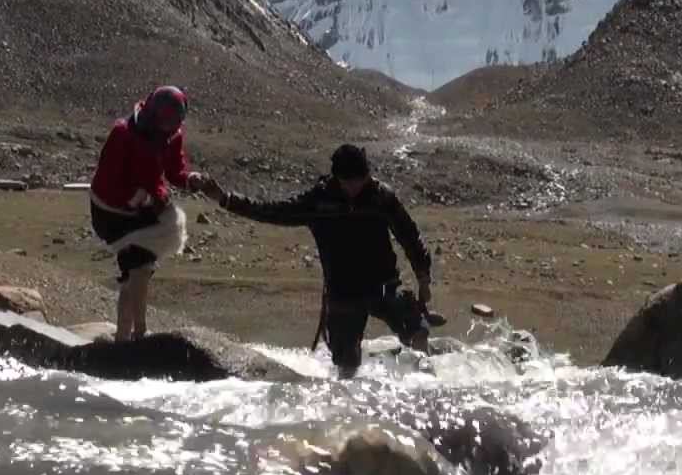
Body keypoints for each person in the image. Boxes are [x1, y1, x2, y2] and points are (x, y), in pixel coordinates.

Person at [202, 144, 433, 377]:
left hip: (384, 285)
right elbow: (272, 211)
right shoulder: (319, 201)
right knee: (347, 364)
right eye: (348, 181)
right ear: (337, 178)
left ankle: (428, 386)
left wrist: (423, 277)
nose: (355, 187)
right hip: (343, 292)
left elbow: (409, 236)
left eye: (360, 180)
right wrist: (226, 199)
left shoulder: (381, 197)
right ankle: (347, 407)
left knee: (417, 331)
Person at [89, 86, 207, 341]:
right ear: (153, 115)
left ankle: (126, 337)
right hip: (111, 213)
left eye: (174, 122)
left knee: (138, 271)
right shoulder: (123, 133)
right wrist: (139, 198)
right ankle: (136, 334)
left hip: (142, 206)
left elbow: (175, 171)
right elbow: (106, 184)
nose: (169, 127)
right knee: (138, 269)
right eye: (165, 121)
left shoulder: (172, 137)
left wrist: (189, 179)